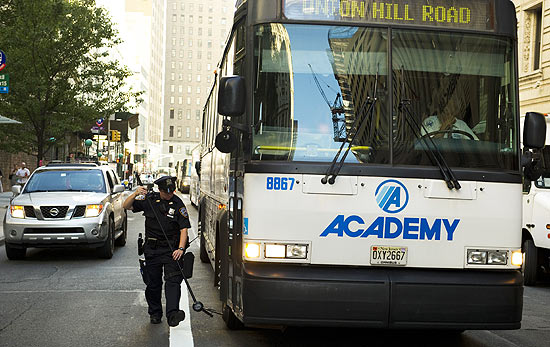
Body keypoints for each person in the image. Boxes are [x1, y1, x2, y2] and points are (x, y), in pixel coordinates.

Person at [123, 176, 190, 327]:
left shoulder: (178, 203)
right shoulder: (150, 200)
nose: (170, 194)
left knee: (173, 282)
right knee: (153, 284)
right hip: (152, 250)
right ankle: (155, 313)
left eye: (172, 191)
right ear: (159, 190)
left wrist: (180, 248)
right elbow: (126, 206)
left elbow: (183, 229)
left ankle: (173, 314)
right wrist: (135, 194)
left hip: (171, 250)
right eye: (167, 192)